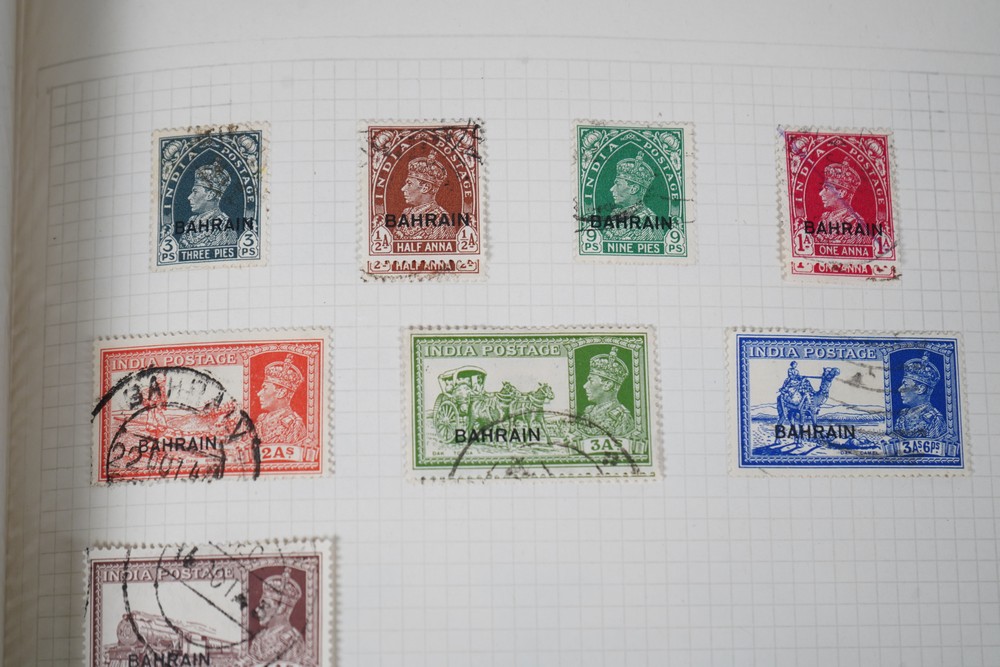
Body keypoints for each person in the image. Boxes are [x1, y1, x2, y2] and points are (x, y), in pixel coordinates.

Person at [239, 570, 308, 665]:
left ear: (281, 608)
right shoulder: (259, 638)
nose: (257, 609)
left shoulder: (293, 641)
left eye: (265, 605)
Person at [179, 158, 236, 248]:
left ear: (210, 195)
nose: (189, 197)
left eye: (195, 192)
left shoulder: (225, 225)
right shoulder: (191, 221)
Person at [580, 347, 635, 437]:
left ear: (607, 385)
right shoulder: (588, 411)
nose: (585, 386)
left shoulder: (622, 418)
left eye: (591, 381)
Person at [399, 151, 452, 240]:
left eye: (409, 183)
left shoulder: (442, 220)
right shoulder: (406, 213)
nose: (403, 189)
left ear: (426, 188)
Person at [256, 355, 307, 445]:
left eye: (265, 388)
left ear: (281, 392)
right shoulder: (261, 420)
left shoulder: (295, 425)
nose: (259, 394)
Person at [894, 353, 946, 438]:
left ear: (920, 389)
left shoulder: (934, 420)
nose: (900, 389)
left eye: (905, 385)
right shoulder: (903, 415)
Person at [818, 161, 865, 227]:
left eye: (827, 189)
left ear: (842, 193)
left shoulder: (855, 223)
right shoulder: (825, 218)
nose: (820, 193)